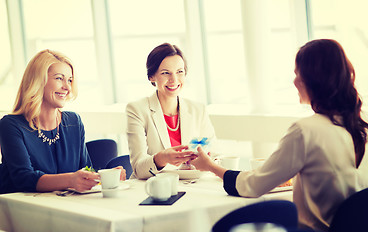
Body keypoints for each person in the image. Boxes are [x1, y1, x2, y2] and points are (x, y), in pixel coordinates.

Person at [191, 39, 368, 232]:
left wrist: (210, 166)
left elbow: (254, 185)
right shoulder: (362, 125)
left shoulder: (306, 130)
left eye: (297, 74)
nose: (294, 81)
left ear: (314, 79)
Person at [0, 49, 126, 194]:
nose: (67, 87)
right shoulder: (11, 125)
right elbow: (23, 179)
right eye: (59, 78)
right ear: (38, 81)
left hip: (69, 206)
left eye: (70, 80)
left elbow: (85, 170)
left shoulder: (74, 121)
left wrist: (103, 177)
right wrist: (71, 179)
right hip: (29, 210)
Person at [126, 43, 216, 179]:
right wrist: (162, 158)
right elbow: (139, 169)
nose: (174, 80)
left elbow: (215, 153)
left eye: (180, 72)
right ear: (152, 76)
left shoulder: (198, 109)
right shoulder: (137, 110)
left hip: (193, 184)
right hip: (154, 188)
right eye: (165, 73)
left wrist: (207, 159)